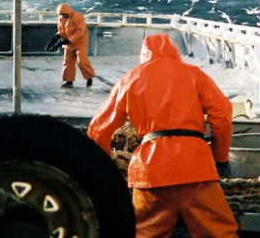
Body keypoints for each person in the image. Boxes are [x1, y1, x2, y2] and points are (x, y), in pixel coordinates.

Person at [87, 33, 238, 238]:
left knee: (145, 234)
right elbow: (222, 113)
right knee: (219, 234)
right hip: (196, 168)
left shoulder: (131, 78)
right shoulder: (194, 74)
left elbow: (98, 129)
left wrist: (108, 171)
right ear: (174, 52)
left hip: (150, 173)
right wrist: (220, 157)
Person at [45, 3, 95, 88]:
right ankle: (69, 81)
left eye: (64, 14)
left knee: (82, 61)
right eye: (61, 14)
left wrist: (67, 40)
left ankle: (89, 77)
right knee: (67, 62)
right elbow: (61, 30)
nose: (63, 16)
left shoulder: (78, 17)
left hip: (80, 43)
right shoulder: (61, 19)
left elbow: (80, 32)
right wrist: (54, 39)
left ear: (68, 11)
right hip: (68, 44)